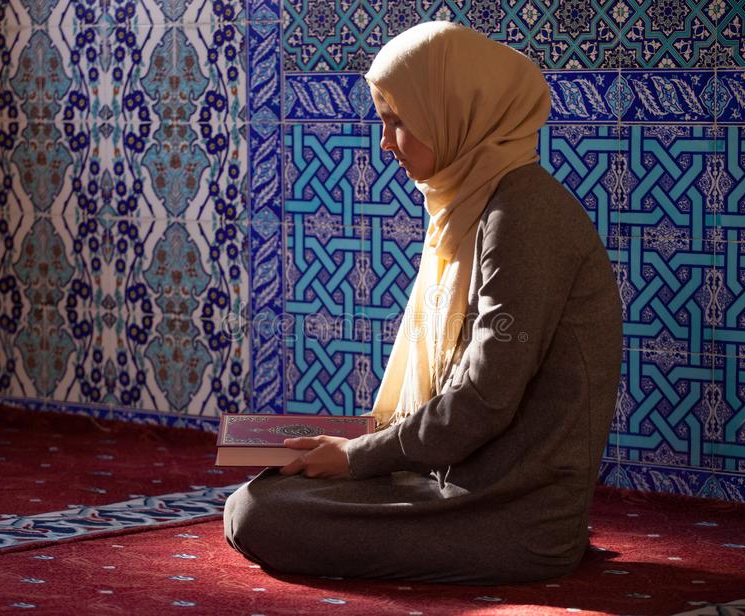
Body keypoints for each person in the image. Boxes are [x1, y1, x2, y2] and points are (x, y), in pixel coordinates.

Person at [223, 21, 622, 585]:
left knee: (259, 514)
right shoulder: (477, 205)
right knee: (269, 490)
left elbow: (485, 401)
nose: (385, 144)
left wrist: (359, 457)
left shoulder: (522, 217)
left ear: (454, 111)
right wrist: (357, 448)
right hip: (456, 479)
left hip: (511, 512)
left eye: (398, 122)